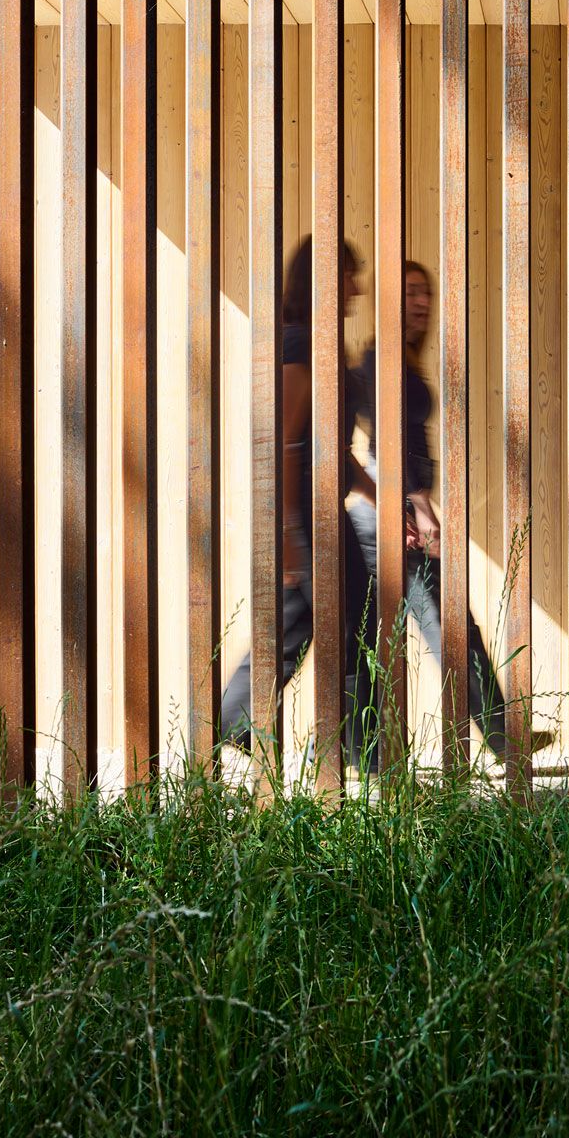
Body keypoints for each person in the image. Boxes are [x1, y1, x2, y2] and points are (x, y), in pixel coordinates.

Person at [345, 259, 513, 760]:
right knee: (450, 625)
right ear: (392, 300)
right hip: (392, 513)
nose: (421, 302)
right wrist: (421, 508)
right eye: (411, 292)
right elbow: (393, 437)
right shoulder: (386, 360)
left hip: (383, 510)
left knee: (367, 634)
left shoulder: (396, 357)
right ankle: (504, 737)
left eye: (425, 292)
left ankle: (359, 752)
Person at [219, 236, 376, 763]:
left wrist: (379, 494)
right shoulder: (300, 344)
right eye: (349, 275)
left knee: (311, 620)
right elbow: (285, 443)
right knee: (340, 616)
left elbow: (328, 445)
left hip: (322, 507)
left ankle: (238, 718)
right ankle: (355, 750)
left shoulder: (322, 343)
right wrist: (288, 535)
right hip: (308, 515)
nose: (357, 287)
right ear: (323, 280)